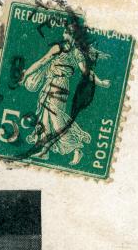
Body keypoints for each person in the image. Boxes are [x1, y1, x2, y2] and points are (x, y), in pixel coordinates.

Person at [20, 24, 111, 165]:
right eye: (65, 32)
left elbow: (86, 72)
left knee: (56, 120)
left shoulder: (75, 53)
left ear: (72, 36)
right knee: (46, 118)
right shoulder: (63, 49)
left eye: (67, 33)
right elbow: (42, 61)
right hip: (52, 84)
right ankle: (44, 151)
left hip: (59, 86)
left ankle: (76, 148)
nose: (64, 35)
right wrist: (26, 74)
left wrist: (100, 82)